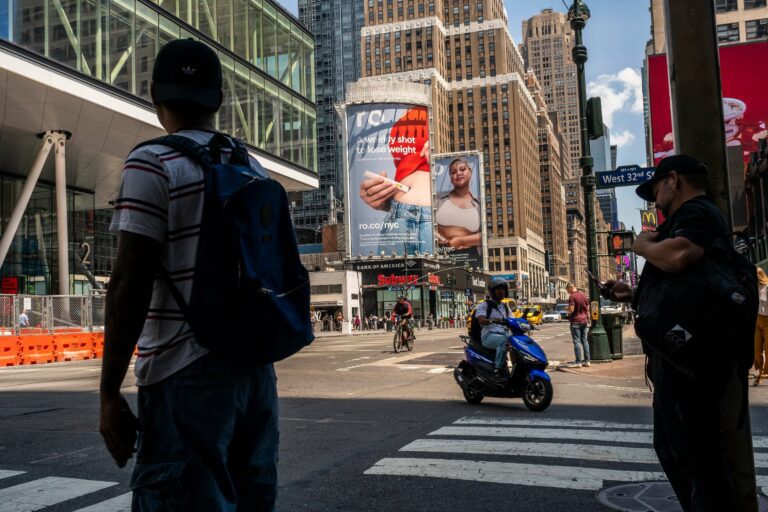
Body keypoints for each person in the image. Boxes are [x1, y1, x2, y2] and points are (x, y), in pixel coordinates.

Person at [99, 40, 279, 511]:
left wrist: (108, 392)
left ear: (155, 97)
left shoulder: (151, 162)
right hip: (255, 374)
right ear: (219, 100)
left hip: (184, 373)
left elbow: (129, 283)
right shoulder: (251, 167)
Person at [601, 154, 757, 511]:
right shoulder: (688, 217)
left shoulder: (694, 213)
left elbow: (679, 257)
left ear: (673, 180)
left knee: (696, 454)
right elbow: (686, 284)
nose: (655, 199)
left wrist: (639, 245)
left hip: (691, 361)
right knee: (675, 448)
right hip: (680, 355)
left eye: (656, 189)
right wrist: (637, 294)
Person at [358, 108, 432, 255]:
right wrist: (386, 201)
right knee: (391, 277)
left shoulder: (442, 113)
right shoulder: (405, 111)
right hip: (398, 216)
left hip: (436, 217)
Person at [436, 157, 482, 251]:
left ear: (470, 172)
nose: (458, 173)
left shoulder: (480, 204)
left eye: (462, 169)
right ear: (451, 178)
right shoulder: (437, 199)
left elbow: (487, 235)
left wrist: (461, 241)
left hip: (473, 260)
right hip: (440, 258)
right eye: (453, 172)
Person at [475, 277, 513, 378]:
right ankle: (498, 369)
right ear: (492, 291)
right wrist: (491, 320)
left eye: (503, 289)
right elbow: (481, 319)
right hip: (488, 335)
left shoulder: (505, 306)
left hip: (503, 334)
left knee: (517, 341)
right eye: (498, 289)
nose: (502, 291)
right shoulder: (485, 304)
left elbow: (512, 320)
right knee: (504, 340)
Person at [566, 283, 591, 368]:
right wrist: (588, 318)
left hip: (576, 321)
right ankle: (587, 361)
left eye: (568, 290)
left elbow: (571, 309)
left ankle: (578, 362)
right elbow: (587, 307)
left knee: (577, 342)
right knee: (584, 340)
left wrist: (567, 309)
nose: (568, 292)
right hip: (584, 320)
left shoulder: (572, 297)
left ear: (570, 288)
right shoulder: (583, 295)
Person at [755, 267, 768, 385]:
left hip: (767, 320)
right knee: (756, 350)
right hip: (756, 321)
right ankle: (760, 371)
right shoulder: (753, 288)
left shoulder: (767, 287)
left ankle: (764, 373)